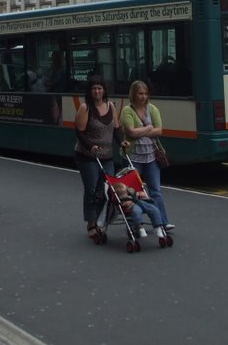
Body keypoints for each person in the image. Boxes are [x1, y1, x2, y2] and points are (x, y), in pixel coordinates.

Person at [73, 75, 127, 241]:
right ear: (90, 91)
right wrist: (91, 146)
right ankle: (91, 223)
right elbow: (79, 132)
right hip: (88, 156)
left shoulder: (110, 106)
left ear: (104, 90)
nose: (97, 91)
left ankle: (100, 220)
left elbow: (116, 128)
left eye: (100, 88)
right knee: (91, 191)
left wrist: (121, 141)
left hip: (107, 156)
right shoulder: (85, 108)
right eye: (94, 88)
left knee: (106, 190)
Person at [119, 80, 172, 235]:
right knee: (131, 191)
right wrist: (149, 128)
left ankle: (163, 221)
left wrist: (142, 130)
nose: (143, 96)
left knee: (155, 190)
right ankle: (134, 223)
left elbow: (159, 130)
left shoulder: (153, 109)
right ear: (133, 94)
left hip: (151, 156)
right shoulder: (127, 111)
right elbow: (130, 132)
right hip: (133, 156)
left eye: (145, 93)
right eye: (140, 93)